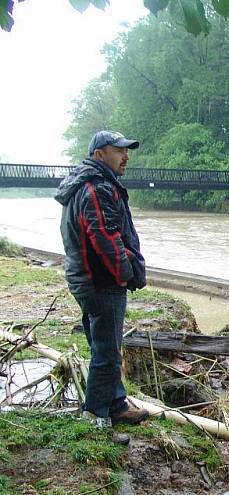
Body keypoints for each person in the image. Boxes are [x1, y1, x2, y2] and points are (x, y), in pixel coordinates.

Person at [55, 131, 150, 444]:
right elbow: (105, 238)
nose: (125, 157)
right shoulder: (97, 187)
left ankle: (116, 404)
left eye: (126, 151)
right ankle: (96, 419)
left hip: (88, 279)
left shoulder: (86, 183)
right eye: (118, 150)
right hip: (101, 282)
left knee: (104, 343)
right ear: (99, 153)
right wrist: (124, 274)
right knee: (106, 351)